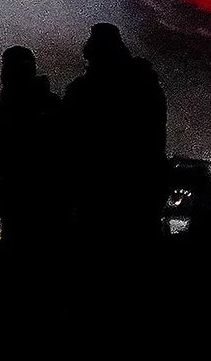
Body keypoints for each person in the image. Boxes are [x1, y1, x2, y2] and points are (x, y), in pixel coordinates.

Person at [61, 22, 168, 246]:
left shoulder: (82, 92)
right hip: (141, 189)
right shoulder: (147, 85)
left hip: (96, 192)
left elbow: (69, 143)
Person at [0, 46, 65, 246]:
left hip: (26, 206)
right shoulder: (53, 106)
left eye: (8, 68)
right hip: (41, 206)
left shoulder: (0, 112)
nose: (4, 73)